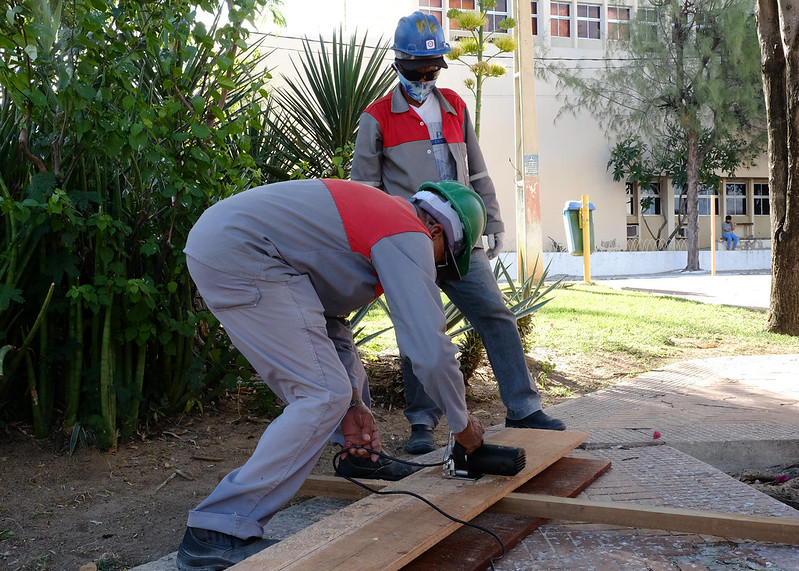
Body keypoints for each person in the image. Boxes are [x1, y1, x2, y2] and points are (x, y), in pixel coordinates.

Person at [176, 178, 487, 570]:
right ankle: (216, 530)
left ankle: (359, 456)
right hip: (243, 252)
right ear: (436, 231)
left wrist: (355, 406)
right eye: (443, 262)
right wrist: (462, 425)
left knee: (335, 393)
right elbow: (429, 348)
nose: (435, 271)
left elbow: (328, 324)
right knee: (320, 395)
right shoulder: (406, 232)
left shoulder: (374, 223)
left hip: (232, 246)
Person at [351, 11, 565, 455]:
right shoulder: (377, 118)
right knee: (419, 331)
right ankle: (422, 423)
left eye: (433, 69)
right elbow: (364, 192)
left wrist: (494, 222)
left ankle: (523, 408)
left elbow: (478, 173)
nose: (425, 77)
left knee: (497, 315)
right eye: (417, 69)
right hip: (409, 244)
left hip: (462, 241)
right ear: (399, 63)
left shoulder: (454, 106)